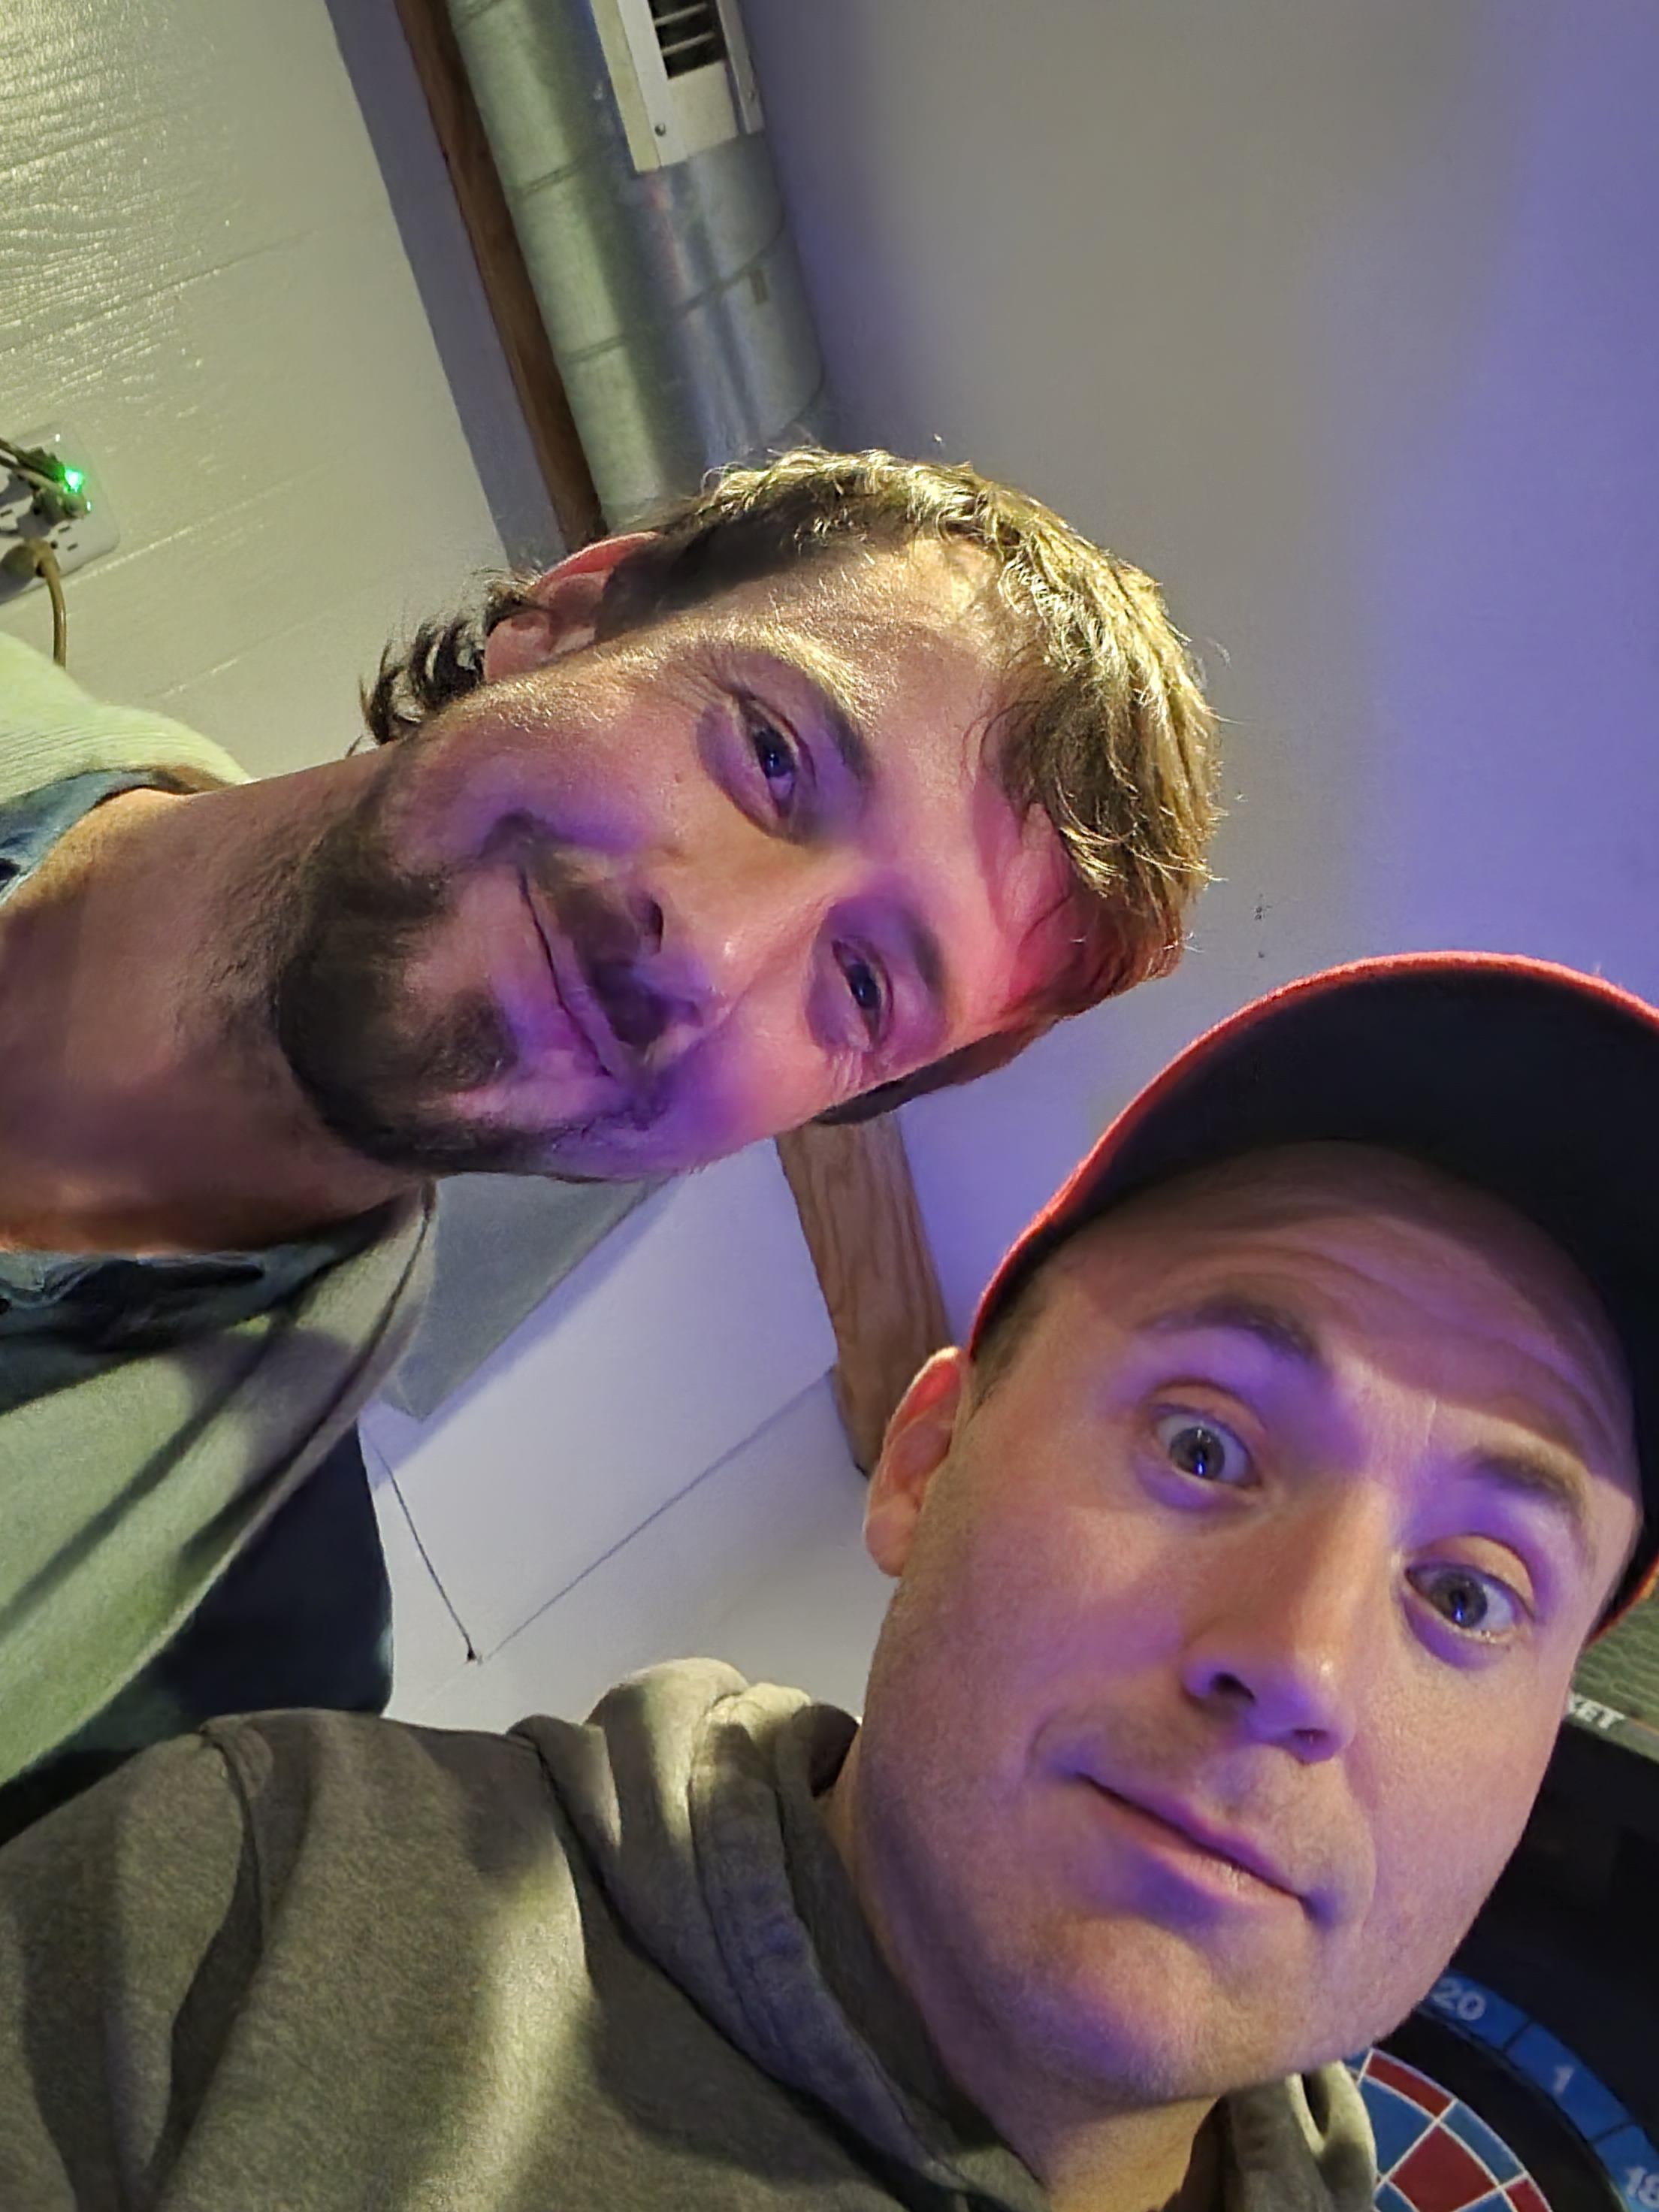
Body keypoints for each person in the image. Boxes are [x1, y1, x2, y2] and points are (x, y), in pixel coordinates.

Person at [0, 948, 1651, 2212]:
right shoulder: (257, 1906)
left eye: (1470, 1593)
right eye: (1205, 1445)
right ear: (924, 1462)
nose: (1300, 1662)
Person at [0, 446, 1219, 1841]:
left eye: (862, 986)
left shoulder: (218, 1708)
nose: (711, 951)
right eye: (772, 756)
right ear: (568, 619)